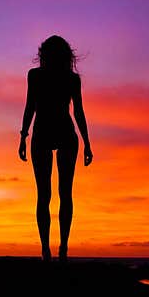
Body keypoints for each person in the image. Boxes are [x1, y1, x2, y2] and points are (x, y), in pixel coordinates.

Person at [18, 35, 93, 261]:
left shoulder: (62, 78)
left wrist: (87, 142)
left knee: (55, 194)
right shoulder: (46, 77)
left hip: (58, 134)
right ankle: (52, 251)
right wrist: (23, 135)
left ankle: (56, 251)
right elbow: (30, 105)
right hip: (47, 134)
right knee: (52, 195)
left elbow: (78, 111)